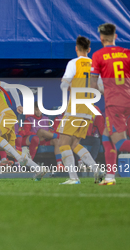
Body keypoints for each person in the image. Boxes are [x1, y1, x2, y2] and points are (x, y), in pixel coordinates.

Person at [57, 36, 100, 184]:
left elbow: (64, 85)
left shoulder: (73, 63)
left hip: (75, 107)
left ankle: (73, 178)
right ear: (89, 49)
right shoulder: (95, 65)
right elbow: (100, 87)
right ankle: (96, 170)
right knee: (74, 144)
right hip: (89, 109)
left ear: (76, 48)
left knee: (63, 143)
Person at [90, 23, 130, 185]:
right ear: (116, 36)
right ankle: (109, 177)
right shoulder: (127, 53)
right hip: (127, 99)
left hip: (114, 104)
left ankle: (110, 178)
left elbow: (93, 86)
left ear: (101, 38)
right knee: (107, 137)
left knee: (120, 143)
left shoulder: (98, 55)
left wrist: (104, 90)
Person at [22, 102, 64, 170]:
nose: (38, 112)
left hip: (45, 140)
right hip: (36, 139)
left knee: (56, 140)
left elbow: (51, 129)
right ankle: (62, 137)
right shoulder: (29, 119)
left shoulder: (46, 118)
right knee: (41, 131)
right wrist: (37, 133)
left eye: (40, 110)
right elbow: (27, 132)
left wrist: (47, 134)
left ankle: (59, 164)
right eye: (36, 110)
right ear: (33, 110)